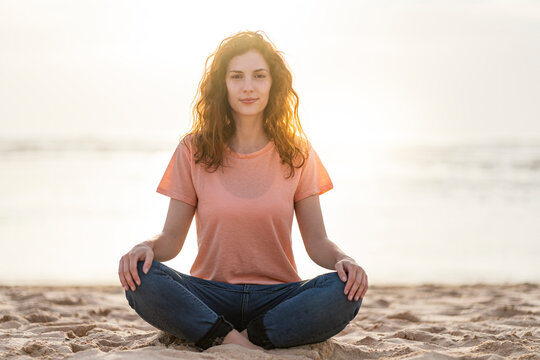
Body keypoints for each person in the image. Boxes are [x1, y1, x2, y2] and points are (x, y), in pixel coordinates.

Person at [118, 30, 368, 352]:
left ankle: (241, 339)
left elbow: (317, 242)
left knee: (344, 289)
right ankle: (235, 339)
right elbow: (171, 238)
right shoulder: (193, 149)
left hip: (279, 298)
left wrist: (344, 260)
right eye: (237, 76)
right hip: (208, 295)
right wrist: (145, 246)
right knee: (140, 276)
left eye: (258, 76)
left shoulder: (298, 152)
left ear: (272, 84)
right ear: (223, 85)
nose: (248, 86)